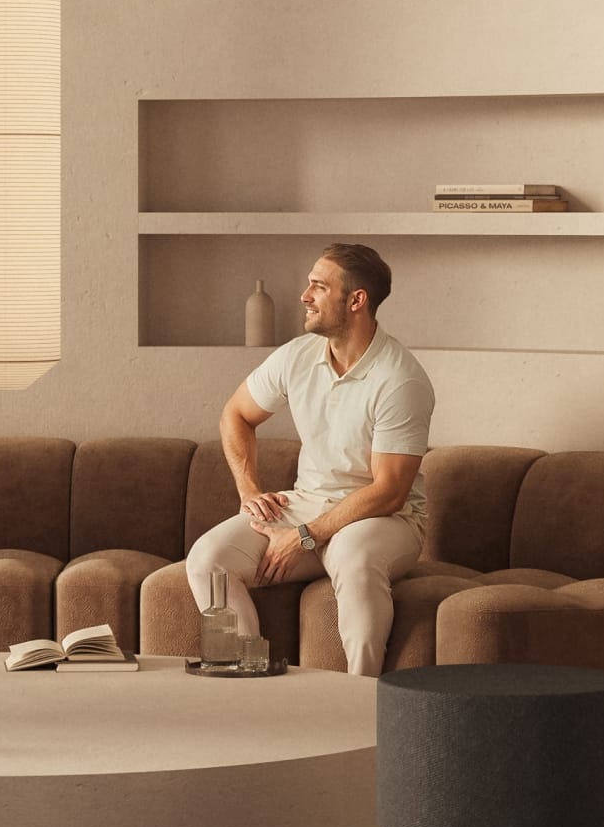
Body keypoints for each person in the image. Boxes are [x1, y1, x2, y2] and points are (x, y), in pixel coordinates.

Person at [185, 243, 434, 676]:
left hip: (383, 520)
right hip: (307, 504)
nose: (304, 296)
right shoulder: (297, 356)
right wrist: (249, 491)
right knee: (208, 559)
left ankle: (362, 695)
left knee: (353, 556)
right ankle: (246, 679)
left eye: (319, 287)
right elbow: (236, 415)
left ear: (356, 300)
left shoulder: (400, 380)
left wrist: (304, 536)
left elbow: (389, 492)